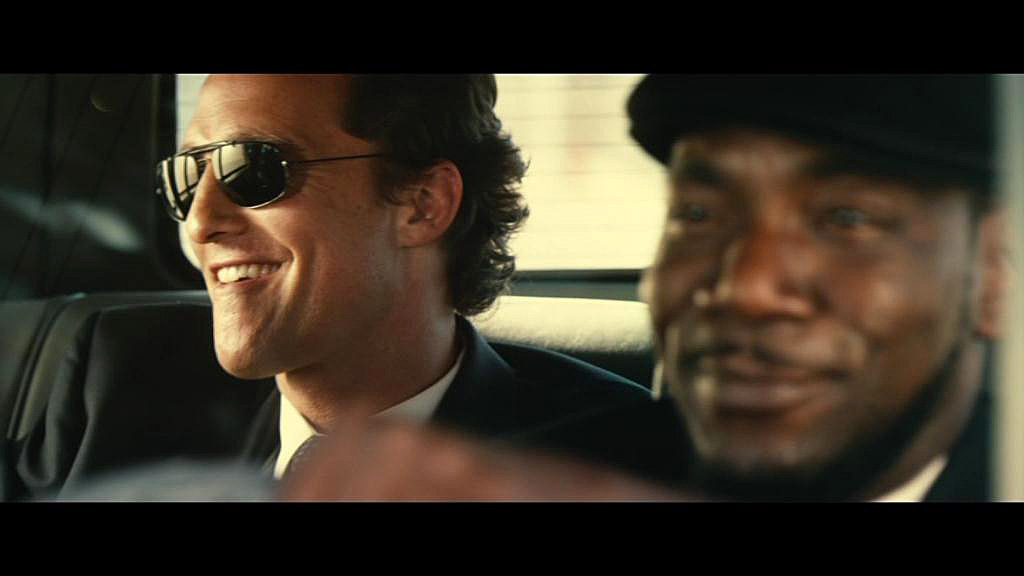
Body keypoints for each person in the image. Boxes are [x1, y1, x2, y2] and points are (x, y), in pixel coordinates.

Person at [5, 75, 649, 498]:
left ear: (422, 204)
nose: (200, 222)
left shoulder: (624, 462)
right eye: (186, 178)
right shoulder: (113, 395)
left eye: (251, 168)